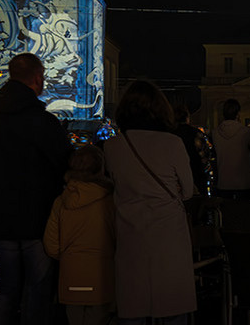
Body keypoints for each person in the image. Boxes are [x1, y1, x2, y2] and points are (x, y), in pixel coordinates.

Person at [0, 52, 73, 325]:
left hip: (2, 216)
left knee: (7, 286)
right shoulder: (42, 122)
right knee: (37, 288)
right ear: (37, 79)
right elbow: (65, 161)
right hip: (36, 218)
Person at [104, 80, 196, 325]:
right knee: (172, 304)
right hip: (168, 235)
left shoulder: (113, 147)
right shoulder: (172, 143)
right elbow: (187, 191)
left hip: (130, 234)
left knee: (133, 305)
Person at [45, 145, 116, 325]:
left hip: (72, 275)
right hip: (102, 276)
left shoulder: (61, 201)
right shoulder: (109, 201)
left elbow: (51, 244)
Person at [212, 99, 250, 198]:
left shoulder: (215, 133)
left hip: (223, 182)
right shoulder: (246, 133)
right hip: (243, 182)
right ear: (238, 114)